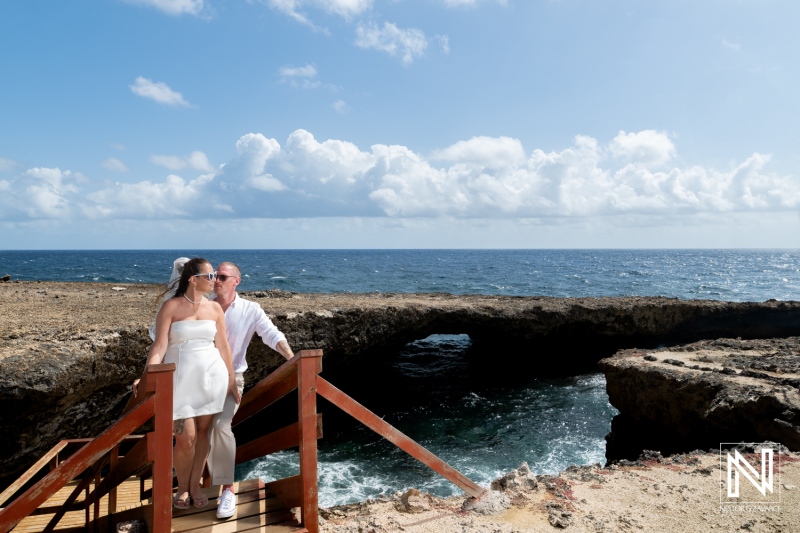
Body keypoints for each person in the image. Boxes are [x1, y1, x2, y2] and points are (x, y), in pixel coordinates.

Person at [134, 257, 239, 509]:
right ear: (193, 279)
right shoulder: (171, 307)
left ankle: (194, 487)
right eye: (210, 276)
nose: (214, 280)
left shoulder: (214, 309)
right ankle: (181, 487)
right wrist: (147, 375)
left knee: (204, 435)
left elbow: (223, 346)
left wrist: (232, 379)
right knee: (185, 439)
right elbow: (159, 346)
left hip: (212, 379)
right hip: (180, 382)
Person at [208, 261, 295, 519]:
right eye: (214, 276)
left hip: (232, 379)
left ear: (237, 281)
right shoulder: (203, 306)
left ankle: (226, 491)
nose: (216, 280)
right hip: (199, 379)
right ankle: (189, 487)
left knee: (221, 426)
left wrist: (292, 360)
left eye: (222, 276)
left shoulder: (250, 309)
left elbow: (271, 334)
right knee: (192, 431)